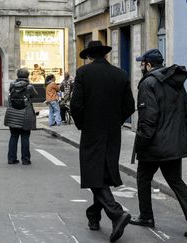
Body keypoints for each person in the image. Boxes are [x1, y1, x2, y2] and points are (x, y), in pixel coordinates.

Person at [130, 49, 187, 237]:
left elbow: (148, 118)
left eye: (142, 63)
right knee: (175, 180)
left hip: (153, 144)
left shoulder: (148, 83)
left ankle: (146, 216)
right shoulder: (176, 82)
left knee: (143, 178)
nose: (141, 67)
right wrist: (177, 137)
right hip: (173, 143)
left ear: (148, 65)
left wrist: (141, 142)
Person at [70, 40, 135, 242]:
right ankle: (94, 216)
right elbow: (129, 106)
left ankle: (116, 213)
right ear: (104, 55)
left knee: (93, 173)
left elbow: (76, 105)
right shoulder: (120, 74)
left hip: (92, 131)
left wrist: (82, 124)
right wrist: (116, 121)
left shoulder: (83, 73)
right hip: (112, 133)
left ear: (89, 56)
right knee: (103, 175)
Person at [4, 68, 38, 165]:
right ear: (27, 76)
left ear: (18, 75)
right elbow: (35, 95)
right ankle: (25, 159)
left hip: (12, 114)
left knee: (13, 136)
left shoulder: (12, 85)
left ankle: (11, 158)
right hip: (25, 115)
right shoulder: (29, 87)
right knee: (25, 137)